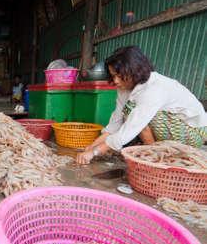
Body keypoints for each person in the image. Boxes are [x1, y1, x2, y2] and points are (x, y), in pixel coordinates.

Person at [76, 46, 207, 165]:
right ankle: (151, 149)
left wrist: (94, 152)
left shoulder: (154, 88)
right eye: (113, 76)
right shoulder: (125, 87)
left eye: (120, 76)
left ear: (134, 70)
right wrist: (92, 146)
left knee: (132, 113)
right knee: (128, 113)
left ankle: (153, 156)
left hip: (193, 131)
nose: (116, 81)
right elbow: (115, 122)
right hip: (169, 125)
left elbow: (131, 127)